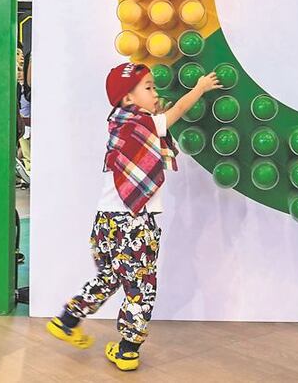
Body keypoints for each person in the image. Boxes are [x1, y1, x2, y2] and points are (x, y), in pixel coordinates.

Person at [46, 63, 220, 372]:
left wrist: (154, 109)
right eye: (149, 88)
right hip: (136, 222)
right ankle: (127, 350)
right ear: (128, 99)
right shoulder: (145, 126)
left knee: (109, 277)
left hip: (105, 222)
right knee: (141, 286)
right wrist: (200, 88)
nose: (156, 92)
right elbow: (177, 110)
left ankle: (68, 318)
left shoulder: (119, 124)